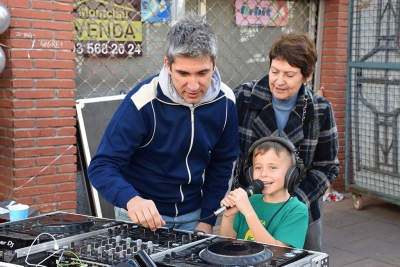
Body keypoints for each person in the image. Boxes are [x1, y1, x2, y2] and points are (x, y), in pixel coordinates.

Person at [88, 12, 239, 234]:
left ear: (214, 64)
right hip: (141, 217)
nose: (194, 85)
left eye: (202, 73)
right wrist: (132, 200)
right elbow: (102, 166)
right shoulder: (142, 101)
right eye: (183, 73)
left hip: (195, 217)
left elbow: (222, 164)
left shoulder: (226, 101)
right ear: (167, 64)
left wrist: (207, 218)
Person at [233, 32, 339, 251]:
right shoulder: (243, 97)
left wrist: (294, 201)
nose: (279, 81)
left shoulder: (320, 110)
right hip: (250, 204)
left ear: (307, 75)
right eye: (274, 71)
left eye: (289, 75)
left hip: (300, 209)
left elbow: (327, 167)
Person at [220, 136, 309, 249]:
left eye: (272, 167)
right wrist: (228, 217)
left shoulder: (297, 210)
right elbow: (225, 243)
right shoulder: (250, 200)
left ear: (292, 174)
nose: (263, 174)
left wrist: (248, 212)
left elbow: (277, 252)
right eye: (258, 168)